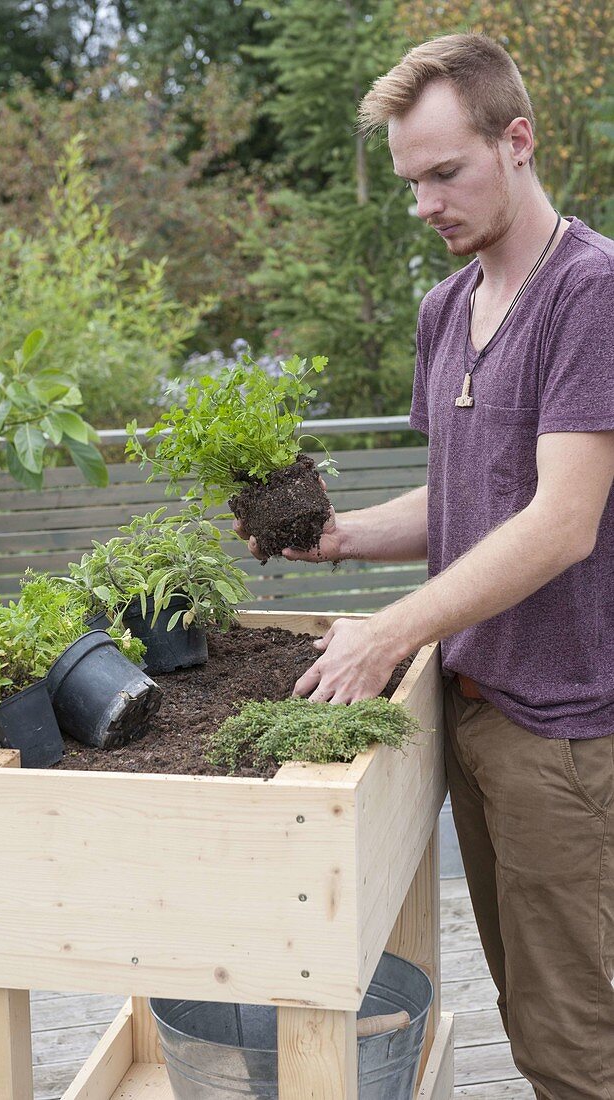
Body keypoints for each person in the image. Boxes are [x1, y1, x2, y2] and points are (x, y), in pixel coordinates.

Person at [235, 33, 614, 1100]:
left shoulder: (590, 292)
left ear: (520, 141)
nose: (426, 203)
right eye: (412, 182)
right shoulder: (445, 309)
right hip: (473, 707)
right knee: (522, 1001)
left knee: (577, 1042)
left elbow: (560, 521)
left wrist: (393, 626)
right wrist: (345, 534)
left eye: (446, 172)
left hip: (569, 729)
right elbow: (465, 498)